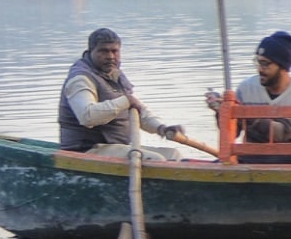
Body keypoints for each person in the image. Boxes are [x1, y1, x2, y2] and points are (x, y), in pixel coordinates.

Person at [58, 27, 207, 159]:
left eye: (114, 51)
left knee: (174, 155)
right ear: (91, 52)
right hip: (87, 150)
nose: (110, 56)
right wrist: (125, 101)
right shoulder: (80, 79)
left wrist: (161, 128)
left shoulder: (116, 75)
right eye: (103, 51)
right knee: (155, 160)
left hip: (116, 147)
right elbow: (87, 116)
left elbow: (137, 110)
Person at [207, 31, 291, 145]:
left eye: (265, 64)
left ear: (283, 66)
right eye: (258, 63)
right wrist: (222, 111)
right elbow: (233, 133)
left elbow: (282, 133)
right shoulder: (246, 89)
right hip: (250, 158)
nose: (260, 69)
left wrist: (245, 114)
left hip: (290, 159)